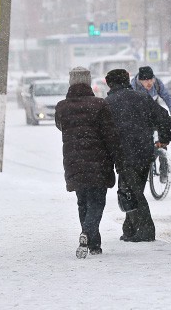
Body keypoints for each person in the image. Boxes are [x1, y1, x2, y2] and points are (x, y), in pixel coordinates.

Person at [55, 66, 120, 259]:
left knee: (82, 202)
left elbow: (61, 126)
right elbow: (110, 135)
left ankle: (94, 243)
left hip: (74, 161)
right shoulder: (99, 105)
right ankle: (88, 233)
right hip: (98, 161)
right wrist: (117, 157)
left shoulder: (62, 107)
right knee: (97, 202)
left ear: (71, 82)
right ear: (88, 82)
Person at [105, 69, 171, 242]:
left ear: (108, 82)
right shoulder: (142, 98)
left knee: (132, 192)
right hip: (144, 151)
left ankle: (146, 231)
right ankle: (129, 229)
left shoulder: (108, 103)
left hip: (124, 153)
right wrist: (164, 138)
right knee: (133, 190)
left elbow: (103, 132)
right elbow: (163, 115)